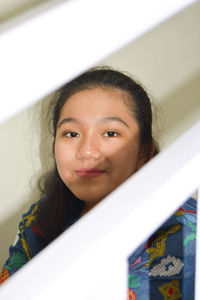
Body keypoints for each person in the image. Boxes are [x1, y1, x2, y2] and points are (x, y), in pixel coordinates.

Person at [0, 68, 196, 300]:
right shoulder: (40, 218)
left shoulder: (183, 228)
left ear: (144, 152)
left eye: (110, 133)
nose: (87, 151)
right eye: (71, 134)